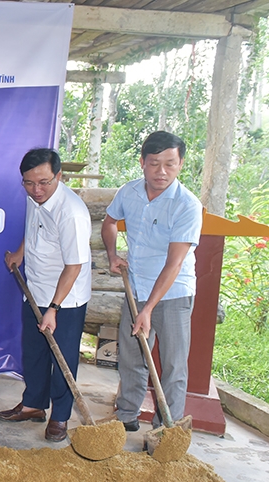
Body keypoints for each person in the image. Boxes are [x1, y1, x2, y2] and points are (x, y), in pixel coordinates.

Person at [102, 131, 202, 432]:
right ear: (142, 162)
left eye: (170, 164)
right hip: (136, 286)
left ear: (181, 164)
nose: (162, 171)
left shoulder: (187, 205)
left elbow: (174, 264)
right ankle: (126, 416)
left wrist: (147, 310)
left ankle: (166, 429)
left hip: (173, 293)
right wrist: (112, 255)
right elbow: (109, 223)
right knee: (131, 356)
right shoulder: (129, 192)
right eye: (155, 163)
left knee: (172, 364)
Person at [0, 148, 91, 442]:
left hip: (65, 299)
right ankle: (34, 404)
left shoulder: (71, 213)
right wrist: (20, 254)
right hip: (35, 288)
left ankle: (60, 416)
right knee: (34, 352)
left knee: (61, 358)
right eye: (29, 183)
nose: (36, 190)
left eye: (44, 183)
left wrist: (54, 308)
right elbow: (33, 228)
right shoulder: (34, 196)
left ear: (59, 177)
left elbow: (74, 266)